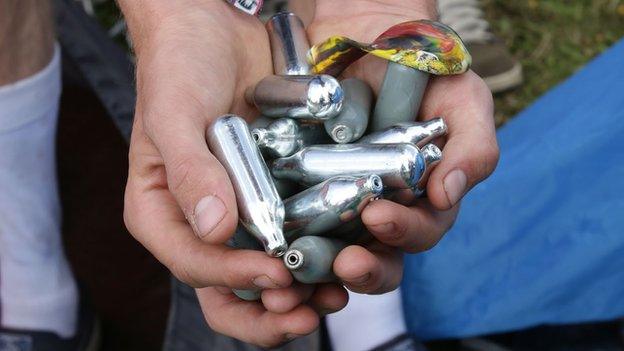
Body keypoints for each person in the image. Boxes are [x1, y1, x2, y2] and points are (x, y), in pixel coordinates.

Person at [0, 0, 499, 349]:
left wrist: (382, 6)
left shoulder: (310, 139)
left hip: (312, 168)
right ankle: (31, 278)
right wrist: (174, 16)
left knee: (341, 17)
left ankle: (363, 302)